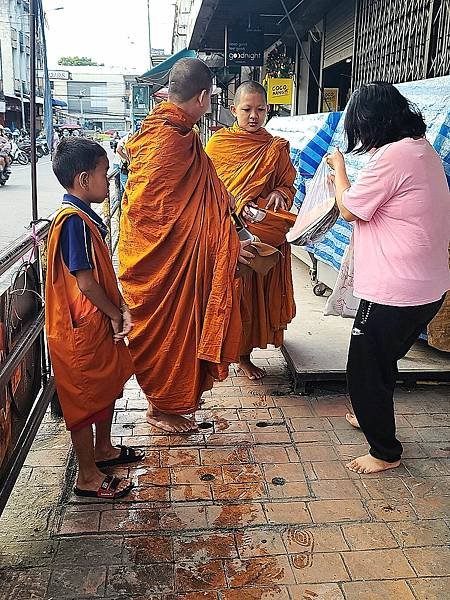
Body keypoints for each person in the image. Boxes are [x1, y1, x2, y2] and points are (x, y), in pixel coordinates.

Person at [119, 58, 253, 433]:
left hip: (162, 258)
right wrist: (226, 240)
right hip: (160, 264)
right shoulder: (170, 139)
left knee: (175, 333)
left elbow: (198, 202)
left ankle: (167, 404)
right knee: (164, 334)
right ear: (204, 97)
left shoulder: (165, 134)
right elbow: (166, 217)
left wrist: (230, 229)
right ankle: (160, 409)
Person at [326, 82, 450, 475]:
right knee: (383, 361)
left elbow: (349, 209)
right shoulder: (421, 149)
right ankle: (370, 416)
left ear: (371, 123)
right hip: (426, 287)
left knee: (364, 368)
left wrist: (339, 170)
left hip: (397, 289)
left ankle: (384, 451)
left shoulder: (395, 156)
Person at [46, 137, 143, 499]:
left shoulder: (85, 216)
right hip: (79, 327)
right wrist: (116, 311)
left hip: (93, 321)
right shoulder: (73, 221)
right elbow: (85, 282)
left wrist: (116, 311)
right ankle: (86, 476)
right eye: (105, 173)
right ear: (84, 180)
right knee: (84, 399)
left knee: (106, 384)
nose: (110, 179)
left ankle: (103, 450)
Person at [205, 81, 297, 380]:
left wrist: (280, 192)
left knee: (256, 298)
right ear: (234, 110)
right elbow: (208, 188)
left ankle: (246, 355)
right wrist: (237, 203)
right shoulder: (218, 145)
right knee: (236, 294)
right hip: (232, 235)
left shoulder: (275, 147)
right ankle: (224, 351)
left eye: (260, 109)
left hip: (265, 235)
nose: (254, 115)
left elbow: (287, 183)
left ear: (268, 110)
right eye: (247, 109)